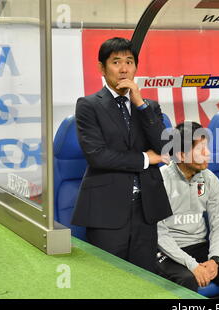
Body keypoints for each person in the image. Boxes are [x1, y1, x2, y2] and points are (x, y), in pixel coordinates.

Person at [72, 37, 172, 273]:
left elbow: (166, 148)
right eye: (116, 62)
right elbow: (98, 156)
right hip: (107, 210)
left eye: (129, 62)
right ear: (101, 67)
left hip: (146, 208)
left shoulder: (149, 106)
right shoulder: (88, 105)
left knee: (145, 279)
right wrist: (146, 159)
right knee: (109, 280)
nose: (124, 68)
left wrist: (139, 103)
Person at [156, 122, 219, 298]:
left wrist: (215, 259)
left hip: (199, 245)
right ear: (181, 154)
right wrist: (193, 265)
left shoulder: (210, 179)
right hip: (167, 250)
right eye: (200, 150)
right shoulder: (160, 180)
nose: (208, 154)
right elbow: (159, 234)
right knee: (187, 279)